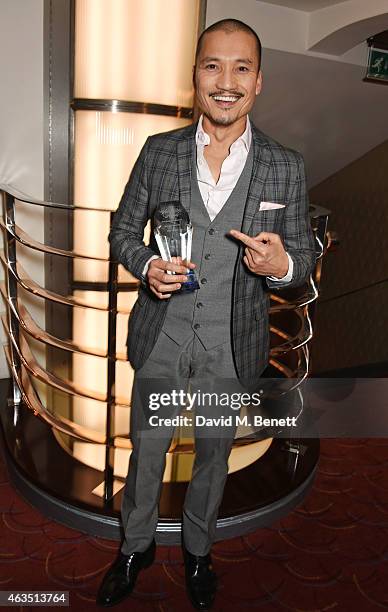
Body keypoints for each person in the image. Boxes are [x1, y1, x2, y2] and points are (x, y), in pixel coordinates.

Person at [97, 18, 315, 610]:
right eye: (213, 66)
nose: (226, 81)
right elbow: (120, 232)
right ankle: (134, 547)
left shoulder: (284, 166)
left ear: (259, 81)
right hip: (163, 338)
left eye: (241, 67)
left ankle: (198, 551)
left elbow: (304, 259)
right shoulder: (159, 152)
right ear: (194, 75)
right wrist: (145, 265)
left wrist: (281, 265)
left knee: (214, 455)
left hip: (229, 344)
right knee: (147, 450)